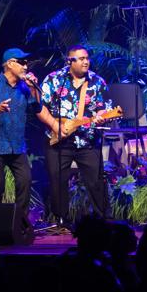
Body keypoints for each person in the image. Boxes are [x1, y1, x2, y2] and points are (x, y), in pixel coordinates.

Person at [36, 45, 112, 227]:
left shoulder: (97, 82)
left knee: (96, 182)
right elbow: (39, 107)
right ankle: (61, 221)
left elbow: (105, 110)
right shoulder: (54, 80)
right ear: (70, 61)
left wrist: (102, 118)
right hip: (58, 141)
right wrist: (55, 125)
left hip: (88, 140)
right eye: (80, 58)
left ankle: (103, 220)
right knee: (57, 181)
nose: (86, 61)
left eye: (87, 58)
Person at [0, 47, 41, 224]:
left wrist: (34, 89)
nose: (26, 66)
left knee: (25, 180)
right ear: (10, 64)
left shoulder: (25, 88)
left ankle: (19, 222)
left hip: (16, 145)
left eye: (26, 62)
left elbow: (37, 108)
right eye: (22, 62)